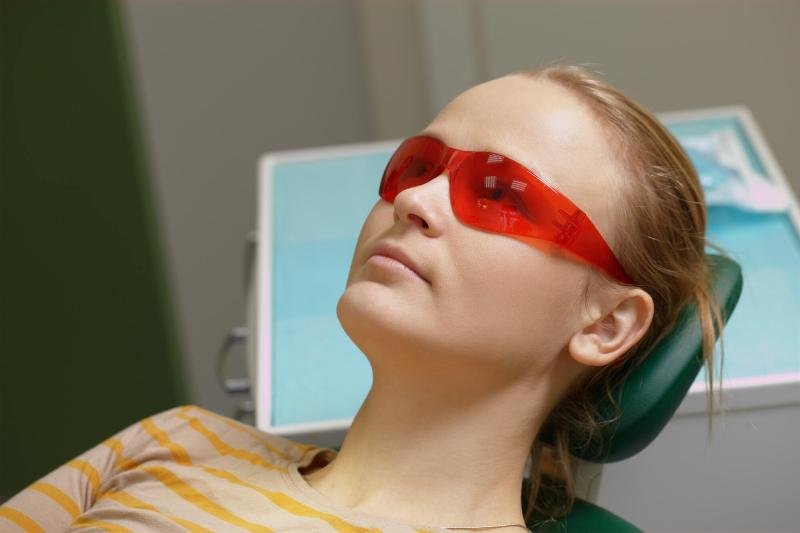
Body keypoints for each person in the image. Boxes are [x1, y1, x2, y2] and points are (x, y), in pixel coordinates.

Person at [0, 64, 725, 532]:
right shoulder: (181, 439)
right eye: (418, 163)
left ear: (605, 324)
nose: (416, 197)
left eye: (500, 193)